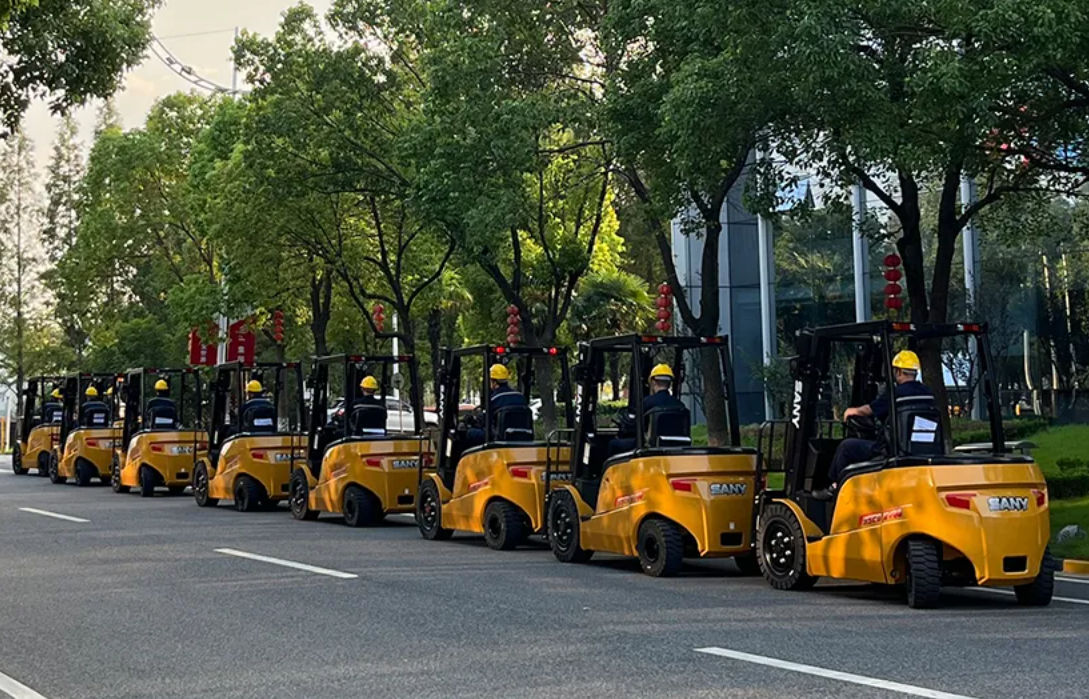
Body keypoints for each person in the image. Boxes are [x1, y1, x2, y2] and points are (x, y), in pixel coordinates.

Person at [813, 350, 933, 501]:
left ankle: (835, 487)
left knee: (847, 446)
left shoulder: (895, 393)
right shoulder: (928, 393)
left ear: (898, 371)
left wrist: (853, 411)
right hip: (919, 449)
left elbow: (869, 410)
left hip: (893, 450)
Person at [609, 364, 687, 455]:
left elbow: (636, 426)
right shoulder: (680, 405)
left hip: (649, 446)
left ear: (653, 382)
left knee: (613, 444)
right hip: (675, 448)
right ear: (669, 383)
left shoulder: (647, 402)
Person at [464, 364, 528, 447]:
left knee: (470, 433)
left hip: (498, 438)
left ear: (494, 382)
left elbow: (485, 421)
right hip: (522, 437)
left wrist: (473, 420)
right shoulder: (521, 397)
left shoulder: (494, 399)